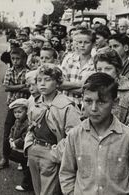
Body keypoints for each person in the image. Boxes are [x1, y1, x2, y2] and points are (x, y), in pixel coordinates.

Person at [59, 72, 129, 195]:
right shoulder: (74, 135)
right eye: (88, 101)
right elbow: (67, 173)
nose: (94, 108)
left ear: (115, 102)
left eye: (101, 102)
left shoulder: (128, 137)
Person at [24, 64, 82, 195]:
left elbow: (74, 135)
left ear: (58, 82)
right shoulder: (35, 102)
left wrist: (56, 154)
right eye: (39, 80)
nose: (42, 84)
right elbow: (31, 126)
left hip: (52, 152)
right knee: (37, 190)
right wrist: (28, 146)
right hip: (34, 151)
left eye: (48, 79)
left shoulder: (67, 106)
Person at [0, 47, 30, 170]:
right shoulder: (10, 71)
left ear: (24, 59)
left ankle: (22, 159)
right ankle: (5, 158)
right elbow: (6, 87)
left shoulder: (28, 72)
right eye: (13, 59)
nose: (15, 61)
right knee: (8, 131)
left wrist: (14, 87)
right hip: (12, 106)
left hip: (26, 106)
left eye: (18, 59)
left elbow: (29, 88)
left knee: (24, 132)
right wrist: (22, 86)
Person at [93, 48, 129, 125]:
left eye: (108, 69)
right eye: (99, 69)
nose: (103, 73)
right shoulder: (91, 90)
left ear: (117, 70)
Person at [60, 29, 96, 106]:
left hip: (85, 106)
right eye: (80, 42)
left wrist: (68, 86)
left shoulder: (95, 63)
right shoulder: (69, 59)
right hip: (66, 104)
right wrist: (80, 84)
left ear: (93, 44)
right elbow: (60, 84)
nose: (82, 45)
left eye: (86, 42)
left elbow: (90, 90)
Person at [7, 98, 33, 192]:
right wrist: (10, 138)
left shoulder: (27, 123)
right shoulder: (17, 121)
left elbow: (25, 137)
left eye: (19, 112)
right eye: (15, 112)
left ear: (26, 111)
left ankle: (26, 185)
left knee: (27, 168)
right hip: (18, 148)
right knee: (23, 164)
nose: (17, 114)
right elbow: (13, 129)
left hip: (24, 149)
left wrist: (15, 142)